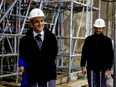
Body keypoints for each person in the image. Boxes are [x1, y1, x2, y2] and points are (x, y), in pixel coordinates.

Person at [19, 8, 58, 87]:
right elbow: (24, 56)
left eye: (42, 21)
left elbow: (54, 53)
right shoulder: (25, 40)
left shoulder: (51, 37)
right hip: (33, 77)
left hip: (49, 75)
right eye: (37, 21)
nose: (40, 24)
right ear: (31, 23)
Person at [80, 18, 113, 87]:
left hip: (103, 69)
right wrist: (83, 66)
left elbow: (110, 56)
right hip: (91, 68)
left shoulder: (107, 41)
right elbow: (84, 53)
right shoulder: (88, 40)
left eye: (100, 28)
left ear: (103, 28)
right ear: (94, 27)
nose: (98, 30)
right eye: (96, 28)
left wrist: (108, 69)